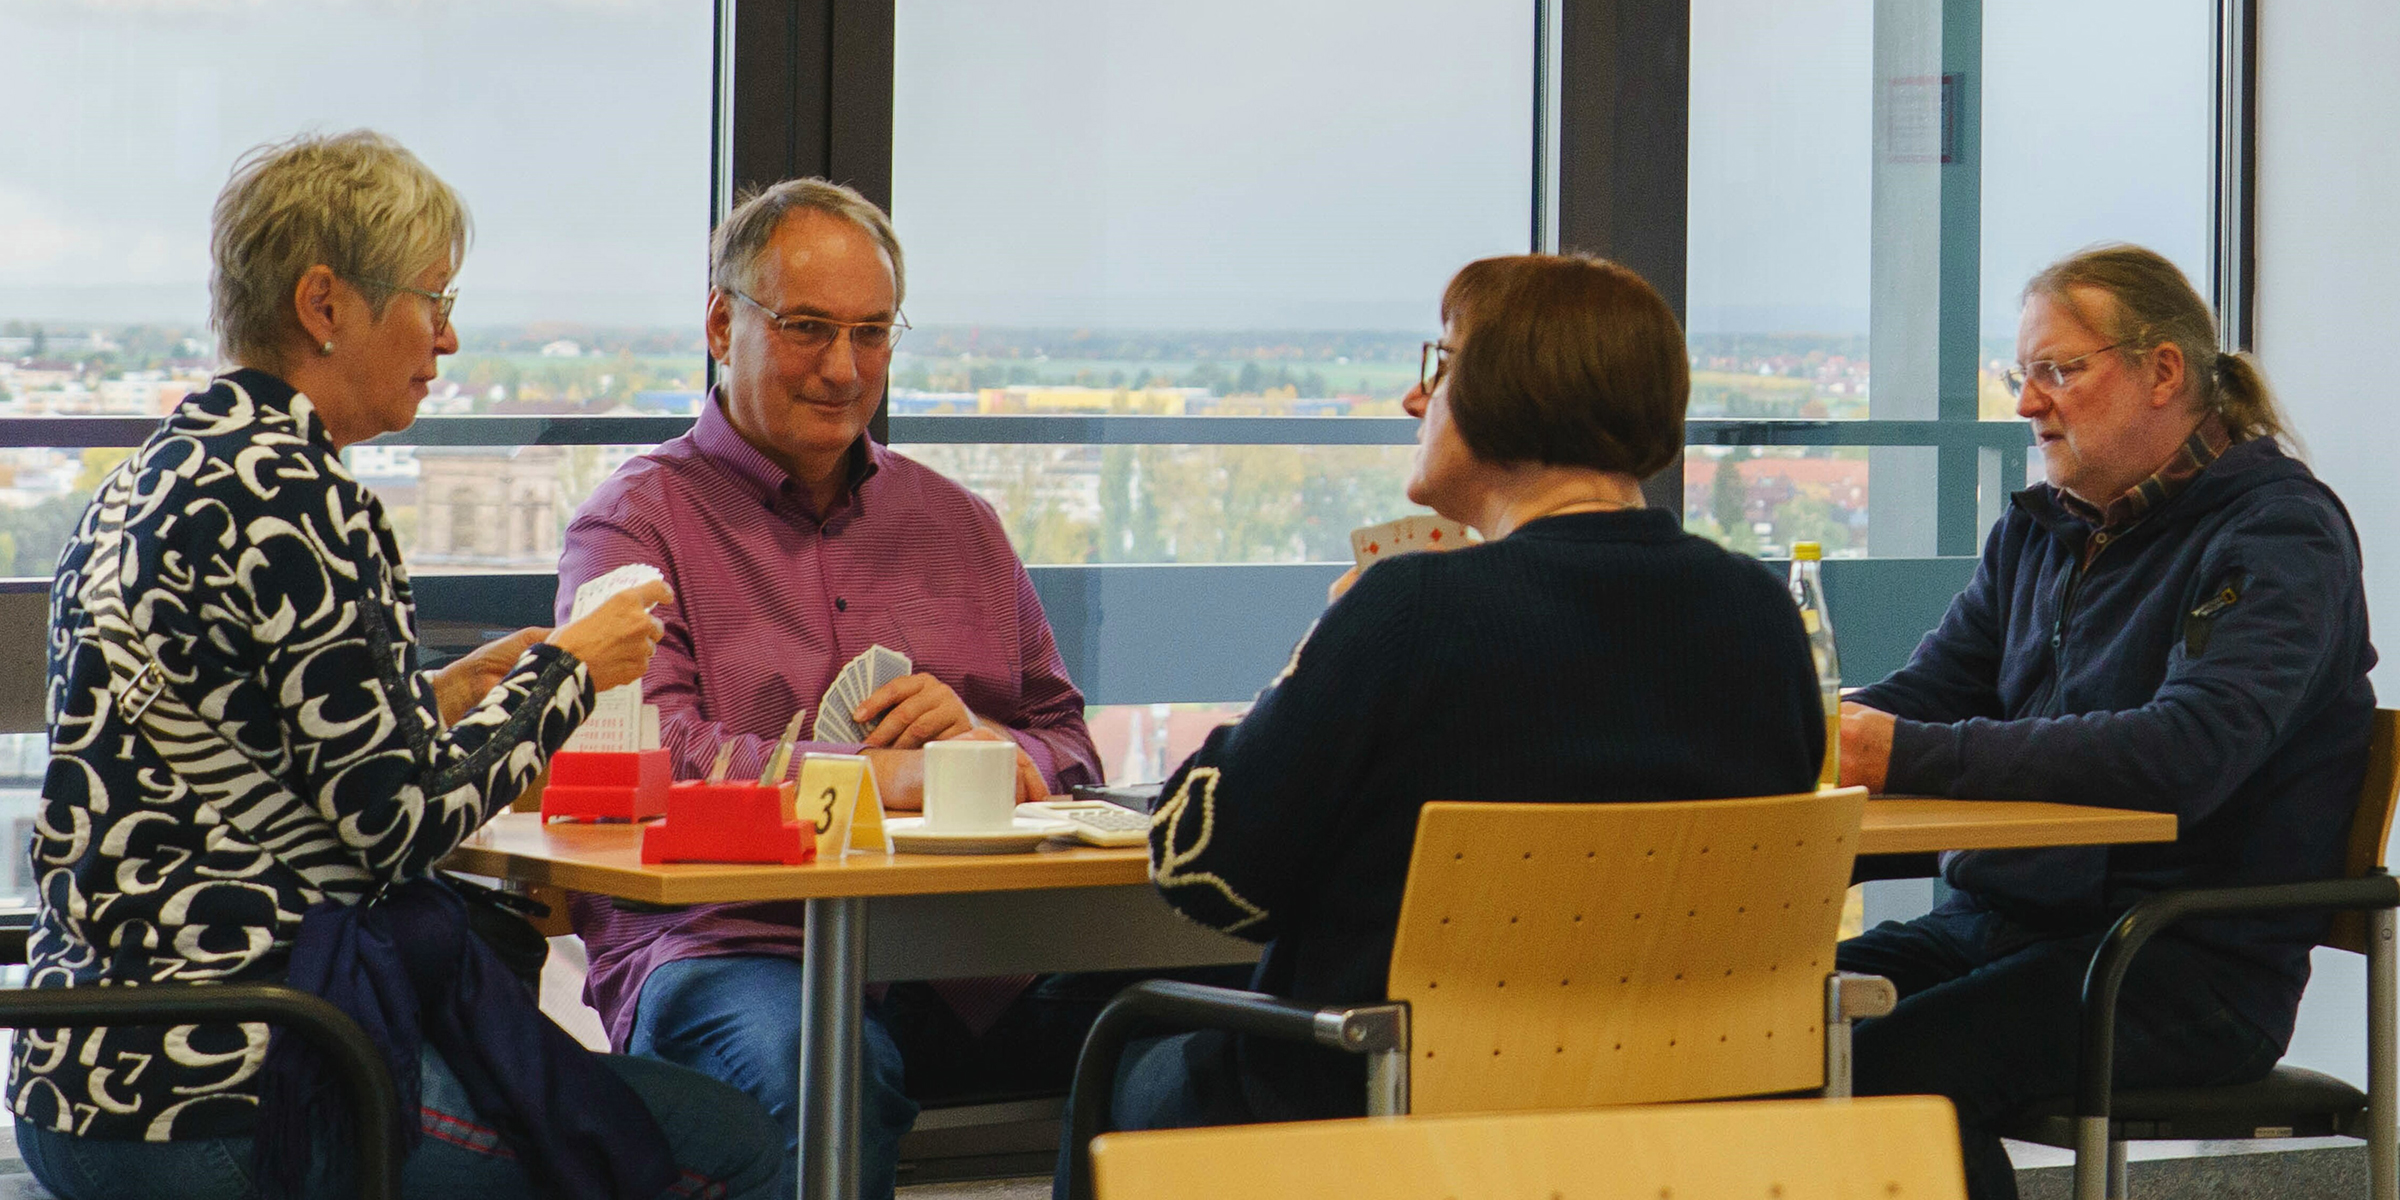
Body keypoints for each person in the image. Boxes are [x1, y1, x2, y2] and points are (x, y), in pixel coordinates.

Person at [10, 131, 781, 1200]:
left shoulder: (142, 484)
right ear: (325, 305)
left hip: (76, 1081)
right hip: (241, 1081)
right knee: (732, 1141)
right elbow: (397, 826)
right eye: (431, 298)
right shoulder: (300, 497)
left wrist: (439, 699)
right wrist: (567, 671)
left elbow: (238, 748)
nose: (449, 337)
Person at [1082, 252, 1826, 1143]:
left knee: (1123, 1051)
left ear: (1511, 392)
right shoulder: (1763, 616)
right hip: (1677, 1118)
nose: (1413, 399)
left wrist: (1310, 656)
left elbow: (1203, 868)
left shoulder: (1409, 611)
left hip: (1382, 1110)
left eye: (1439, 367)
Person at [554, 178, 1106, 1199]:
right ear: (723, 324)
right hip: (736, 946)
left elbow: (1068, 744)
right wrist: (878, 778)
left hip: (971, 957)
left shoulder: (959, 524)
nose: (844, 369)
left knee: (1217, 1004)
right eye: (808, 328)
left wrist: (994, 749)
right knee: (820, 1068)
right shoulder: (635, 525)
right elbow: (646, 754)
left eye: (872, 333)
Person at [1835, 244, 2376, 1200]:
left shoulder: (2280, 536)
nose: (2026, 403)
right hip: (1997, 925)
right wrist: (1795, 726)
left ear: (2164, 371)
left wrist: (1902, 751)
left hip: (2176, 960)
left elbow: (2185, 752)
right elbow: (1923, 696)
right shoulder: (2044, 529)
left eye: (2058, 370)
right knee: (1750, 1027)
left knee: (1888, 1069)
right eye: (2023, 374)